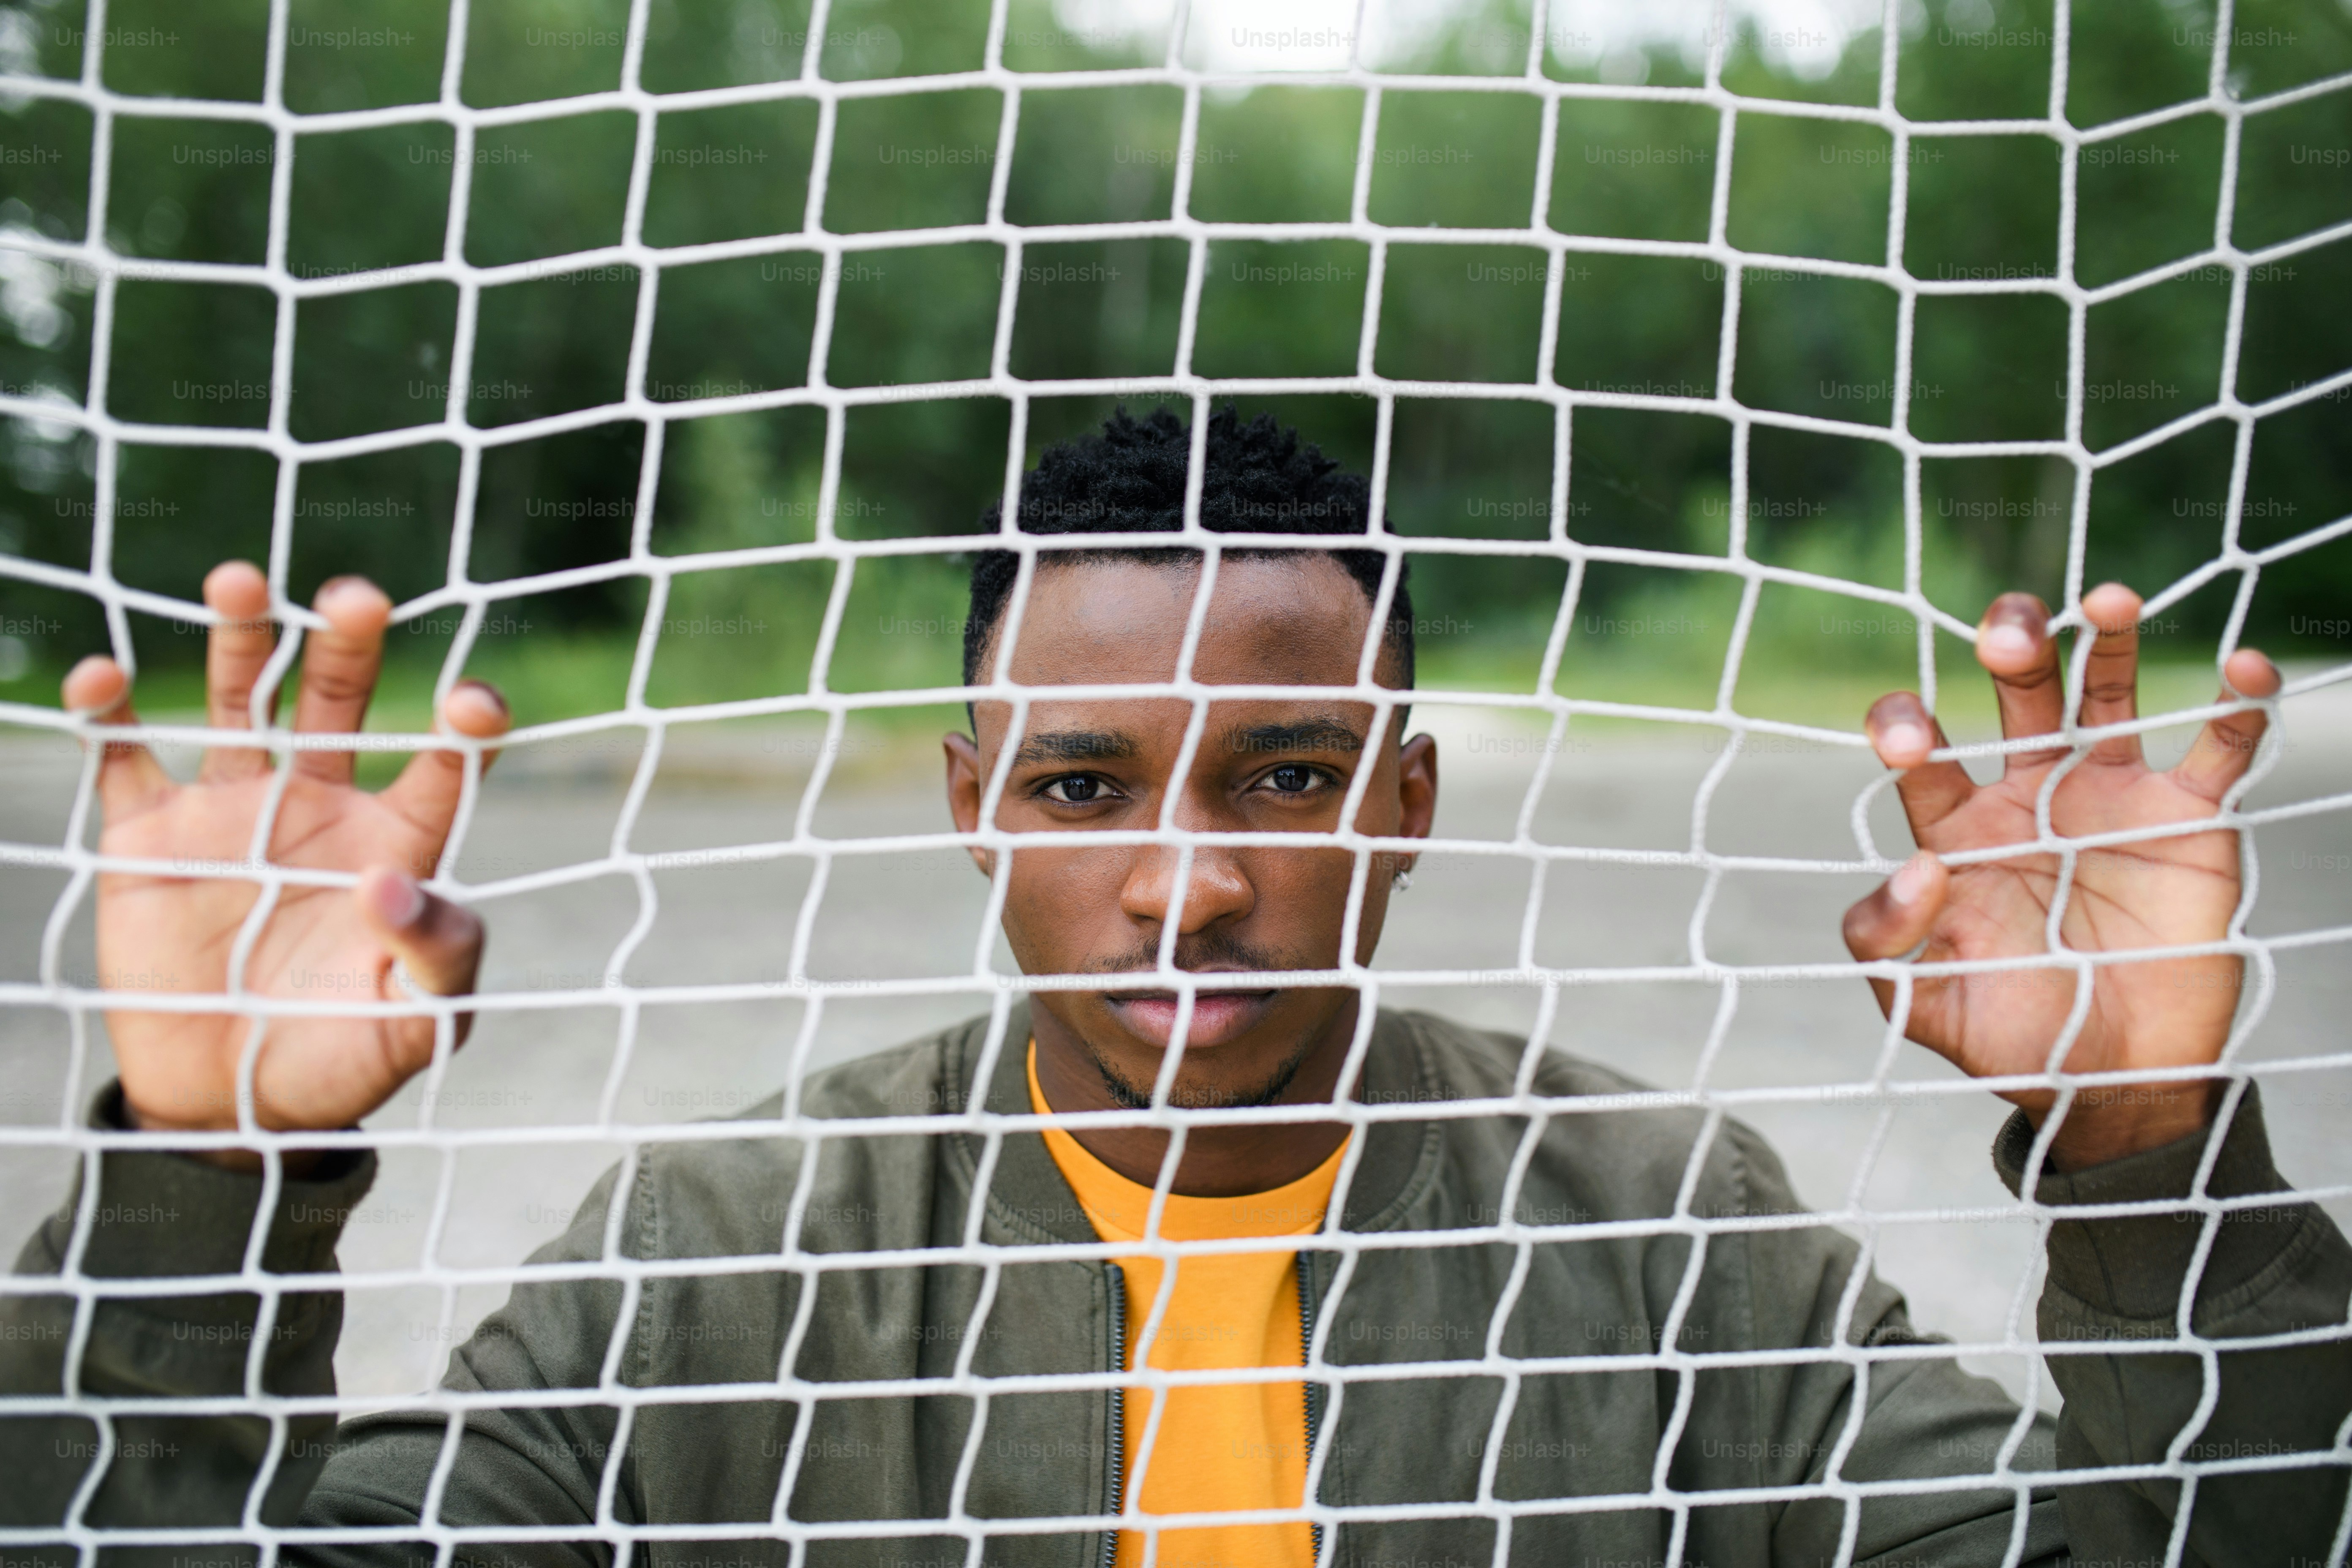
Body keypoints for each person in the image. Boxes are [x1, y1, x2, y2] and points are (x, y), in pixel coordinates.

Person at [3, 406, 2345, 1568]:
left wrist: (2150, 1155)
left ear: (1407, 802)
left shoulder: (1668, 1233)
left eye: (1292, 774)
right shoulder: (722, 1265)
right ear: (967, 801)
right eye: (1087, 784)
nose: (1190, 885)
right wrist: (201, 1180)